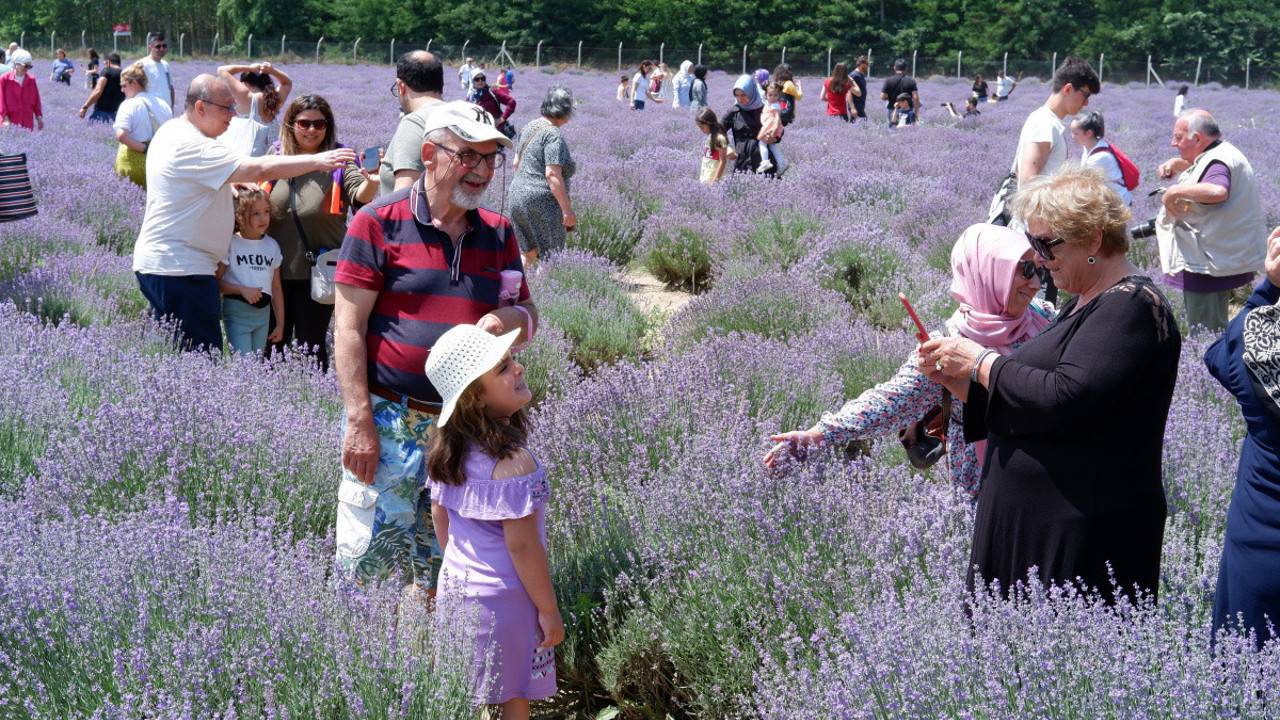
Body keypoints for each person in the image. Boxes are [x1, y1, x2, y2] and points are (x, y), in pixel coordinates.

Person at [920, 165, 1181, 604]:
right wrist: (961, 383)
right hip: (1042, 527)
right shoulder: (1088, 299)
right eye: (1033, 243)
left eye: (1046, 244)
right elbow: (1045, 400)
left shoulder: (1132, 306)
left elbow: (1066, 397)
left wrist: (980, 361)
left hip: (1081, 537)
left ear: (1094, 239)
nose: (1038, 258)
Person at [331, 100, 537, 596]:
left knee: (451, 566)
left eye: (490, 159)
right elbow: (348, 328)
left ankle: (431, 663)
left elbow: (529, 314)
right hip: (389, 420)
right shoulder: (377, 222)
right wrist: (359, 418)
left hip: (467, 427)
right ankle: (370, 666)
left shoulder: (499, 232)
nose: (482, 170)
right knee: (371, 564)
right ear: (429, 154)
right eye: (468, 156)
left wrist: (508, 318)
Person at [765, 223, 1053, 502]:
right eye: (1025, 270)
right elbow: (891, 401)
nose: (1037, 283)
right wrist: (819, 435)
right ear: (990, 273)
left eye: (1038, 269)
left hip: (1053, 476)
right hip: (992, 493)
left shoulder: (1043, 316)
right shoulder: (951, 345)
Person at [131, 74, 356, 352]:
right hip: (183, 271)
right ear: (200, 107)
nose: (233, 114)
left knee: (179, 356)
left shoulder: (172, 131)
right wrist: (318, 160)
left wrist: (228, 179)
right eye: (226, 107)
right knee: (201, 360)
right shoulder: (194, 145)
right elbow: (260, 169)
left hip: (166, 266)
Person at [426, 324, 561, 719]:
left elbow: (440, 516)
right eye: (503, 367)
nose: (517, 369)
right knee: (512, 694)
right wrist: (548, 609)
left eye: (512, 360)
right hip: (508, 600)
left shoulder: (445, 454)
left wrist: (461, 566)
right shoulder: (514, 463)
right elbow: (523, 546)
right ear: (475, 399)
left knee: (463, 694)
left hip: (456, 590)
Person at [264, 94, 382, 370]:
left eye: (320, 124)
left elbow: (361, 197)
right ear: (291, 125)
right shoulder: (276, 155)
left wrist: (372, 182)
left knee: (311, 347)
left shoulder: (341, 158)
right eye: (304, 123)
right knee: (270, 347)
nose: (312, 130)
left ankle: (308, 400)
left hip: (316, 273)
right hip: (272, 272)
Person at [1206, 227, 1280, 650]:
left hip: (1262, 546)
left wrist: (1269, 286)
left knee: (1245, 678)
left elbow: (1218, 356)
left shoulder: (1259, 343)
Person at [1154, 109, 1267, 332]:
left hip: (1208, 262)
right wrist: (1180, 164)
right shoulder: (1221, 152)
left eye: (1178, 137)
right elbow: (1209, 169)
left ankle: (1210, 366)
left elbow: (1217, 190)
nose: (1172, 142)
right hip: (1215, 257)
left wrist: (1175, 191)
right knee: (1214, 324)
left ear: (1197, 139)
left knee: (1207, 331)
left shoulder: (1218, 161)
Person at [509, 85, 577, 266]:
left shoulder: (530, 126)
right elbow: (552, 175)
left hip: (517, 195)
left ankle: (515, 292)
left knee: (527, 252)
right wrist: (567, 210)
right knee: (551, 257)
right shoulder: (554, 134)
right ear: (563, 110)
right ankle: (542, 293)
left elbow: (516, 163)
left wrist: (525, 188)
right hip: (543, 203)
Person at [217, 187, 284, 356]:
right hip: (237, 312)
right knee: (243, 366)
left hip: (263, 315)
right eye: (255, 213)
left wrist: (281, 324)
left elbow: (276, 287)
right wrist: (241, 289)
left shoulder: (272, 245)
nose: (263, 218)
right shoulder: (231, 243)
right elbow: (216, 282)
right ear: (239, 216)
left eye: (266, 211)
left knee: (256, 367)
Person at [377, 51, 446, 195]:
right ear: (442, 84)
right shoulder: (461, 115)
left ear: (401, 86)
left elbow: (403, 200)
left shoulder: (414, 123)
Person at [113, 61, 173, 187]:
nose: (122, 90)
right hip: (158, 165)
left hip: (132, 167)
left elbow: (122, 136)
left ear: (134, 83)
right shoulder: (163, 104)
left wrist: (145, 149)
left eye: (124, 85)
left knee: (130, 202)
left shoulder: (128, 104)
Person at [216, 62, 294, 157]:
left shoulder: (247, 98)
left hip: (251, 159)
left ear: (244, 84)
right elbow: (287, 83)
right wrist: (273, 71)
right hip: (273, 155)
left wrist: (249, 68)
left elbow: (222, 70)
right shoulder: (274, 99)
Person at [1070, 111, 1132, 206]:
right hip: (1110, 199)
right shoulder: (1093, 146)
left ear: (1089, 133)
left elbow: (1086, 187)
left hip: (1118, 204)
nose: (1072, 137)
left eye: (1076, 133)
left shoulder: (1098, 158)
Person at [723, 75, 772, 176]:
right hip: (742, 162)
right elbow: (717, 131)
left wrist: (774, 137)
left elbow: (778, 129)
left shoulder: (764, 109)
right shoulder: (734, 111)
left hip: (764, 162)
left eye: (743, 95)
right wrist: (725, 147)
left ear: (751, 93)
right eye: (737, 95)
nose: (740, 99)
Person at [467, 70, 517, 138]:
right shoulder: (470, 97)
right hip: (478, 135)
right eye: (477, 79)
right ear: (472, 81)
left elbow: (512, 102)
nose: (480, 81)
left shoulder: (492, 92)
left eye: (483, 78)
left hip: (496, 132)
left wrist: (502, 119)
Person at [0, 50, 42, 130]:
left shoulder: (31, 80)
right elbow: (1, 101)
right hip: (10, 121)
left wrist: (39, 116)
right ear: (15, 64)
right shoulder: (4, 79)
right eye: (25, 66)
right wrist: (5, 118)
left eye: (30, 66)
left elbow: (36, 100)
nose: (27, 69)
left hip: (27, 122)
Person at [78, 52, 123, 123]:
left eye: (105, 63)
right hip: (118, 115)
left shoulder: (107, 71)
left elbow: (98, 91)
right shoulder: (125, 74)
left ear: (108, 62)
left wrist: (85, 107)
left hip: (102, 113)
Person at [756, 81, 787, 175]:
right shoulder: (768, 103)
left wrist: (774, 129)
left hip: (772, 127)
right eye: (770, 95)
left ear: (779, 95)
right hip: (770, 126)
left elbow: (777, 118)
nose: (773, 98)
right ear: (766, 95)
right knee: (772, 145)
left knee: (762, 142)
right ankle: (781, 163)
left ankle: (765, 161)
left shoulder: (775, 105)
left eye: (775, 95)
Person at [695, 108, 734, 184]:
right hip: (704, 179)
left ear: (709, 123)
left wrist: (715, 181)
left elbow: (722, 162)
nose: (701, 130)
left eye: (702, 127)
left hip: (712, 181)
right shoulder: (710, 136)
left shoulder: (720, 138)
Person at [138, 31, 174, 110]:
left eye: (164, 46)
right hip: (151, 112)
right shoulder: (142, 65)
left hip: (166, 111)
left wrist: (171, 107)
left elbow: (170, 88)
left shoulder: (165, 65)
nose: (162, 49)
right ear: (150, 48)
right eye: (158, 47)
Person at [879, 58, 919, 124]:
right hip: (907, 111)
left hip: (893, 110)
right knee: (907, 131)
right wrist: (916, 112)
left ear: (894, 68)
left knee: (891, 132)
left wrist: (892, 97)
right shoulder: (911, 81)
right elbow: (915, 97)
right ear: (906, 69)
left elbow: (882, 97)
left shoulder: (888, 81)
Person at [850, 56, 869, 122]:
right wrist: (852, 108)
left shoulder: (861, 75)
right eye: (867, 64)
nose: (868, 66)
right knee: (863, 125)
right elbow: (848, 93)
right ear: (861, 64)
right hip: (856, 106)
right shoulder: (854, 76)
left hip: (860, 105)